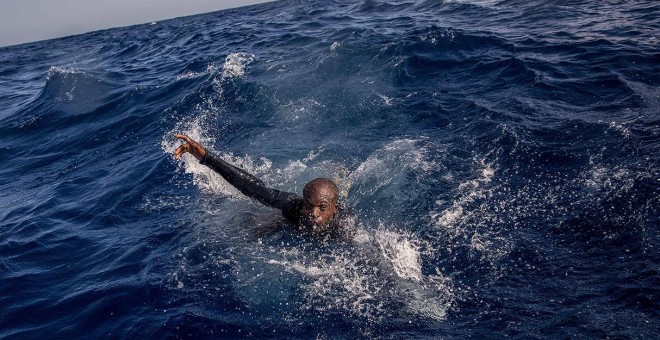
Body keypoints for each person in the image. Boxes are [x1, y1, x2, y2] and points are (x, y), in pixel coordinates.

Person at [174, 134, 352, 238]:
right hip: (288, 223)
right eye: (308, 205)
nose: (313, 213)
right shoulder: (293, 206)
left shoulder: (344, 226)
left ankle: (340, 179)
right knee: (251, 231)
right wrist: (206, 157)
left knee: (337, 191)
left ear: (334, 210)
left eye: (322, 208)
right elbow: (251, 187)